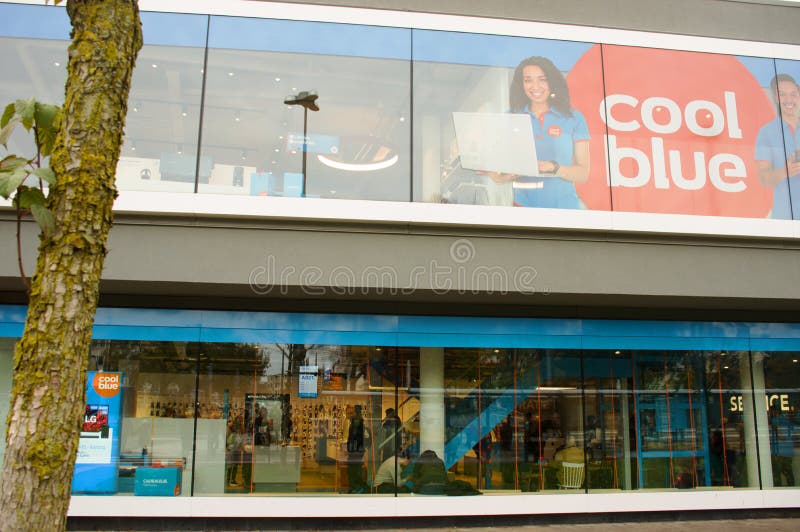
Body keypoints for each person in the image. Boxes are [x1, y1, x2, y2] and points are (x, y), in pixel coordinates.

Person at [489, 56, 590, 209]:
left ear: (552, 82)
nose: (535, 86)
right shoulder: (510, 117)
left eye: (542, 79)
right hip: (522, 209)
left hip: (565, 210)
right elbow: (494, 171)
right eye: (528, 80)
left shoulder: (573, 118)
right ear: (521, 84)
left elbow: (582, 174)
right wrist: (505, 176)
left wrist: (553, 167)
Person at [755, 73, 800, 220]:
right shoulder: (767, 132)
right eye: (783, 95)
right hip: (785, 219)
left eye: (793, 94)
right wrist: (784, 171)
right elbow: (763, 178)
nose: (789, 100)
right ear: (775, 98)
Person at [345, 404, 368, 493]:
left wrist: (350, 450)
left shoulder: (355, 422)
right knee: (356, 470)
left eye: (352, 412)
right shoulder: (359, 422)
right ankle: (357, 488)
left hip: (355, 452)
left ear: (355, 412)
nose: (350, 414)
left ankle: (355, 488)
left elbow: (353, 438)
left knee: (352, 471)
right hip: (358, 451)